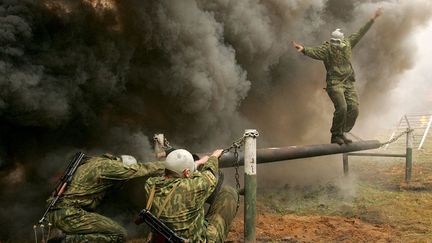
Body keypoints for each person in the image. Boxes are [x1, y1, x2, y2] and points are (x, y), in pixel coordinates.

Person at [292, 8, 383, 145]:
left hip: (348, 82)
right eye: (333, 43)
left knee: (354, 109)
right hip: (334, 84)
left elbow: (360, 32)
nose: (335, 46)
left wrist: (372, 19)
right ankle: (335, 135)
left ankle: (342, 132)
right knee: (342, 107)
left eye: (337, 43)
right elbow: (314, 51)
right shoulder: (326, 50)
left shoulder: (347, 44)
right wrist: (303, 49)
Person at [46, 153, 164, 242]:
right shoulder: (108, 166)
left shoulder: (94, 162)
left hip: (61, 211)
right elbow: (140, 169)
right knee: (118, 234)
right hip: (69, 213)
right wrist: (169, 165)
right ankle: (64, 240)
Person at [143, 148, 239, 242]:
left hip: (163, 238)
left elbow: (169, 177)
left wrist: (196, 163)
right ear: (187, 172)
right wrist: (213, 157)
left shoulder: (151, 185)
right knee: (229, 192)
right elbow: (209, 174)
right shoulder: (194, 187)